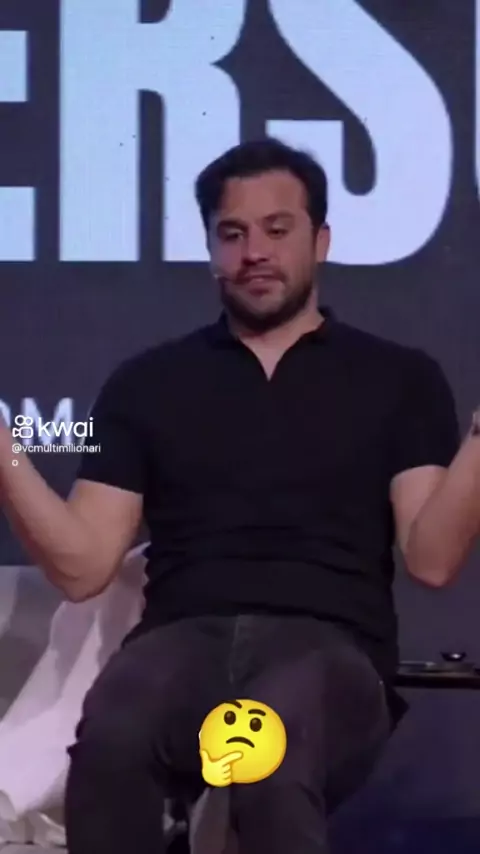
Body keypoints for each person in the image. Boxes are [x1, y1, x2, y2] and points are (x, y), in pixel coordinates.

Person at [1, 138, 480, 854]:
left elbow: (432, 559)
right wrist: (5, 451)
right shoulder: (149, 383)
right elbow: (83, 566)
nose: (254, 251)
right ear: (210, 250)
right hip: (181, 638)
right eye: (233, 234)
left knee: (267, 753)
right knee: (111, 746)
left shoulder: (399, 378)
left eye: (277, 230)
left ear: (321, 241)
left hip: (329, 646)